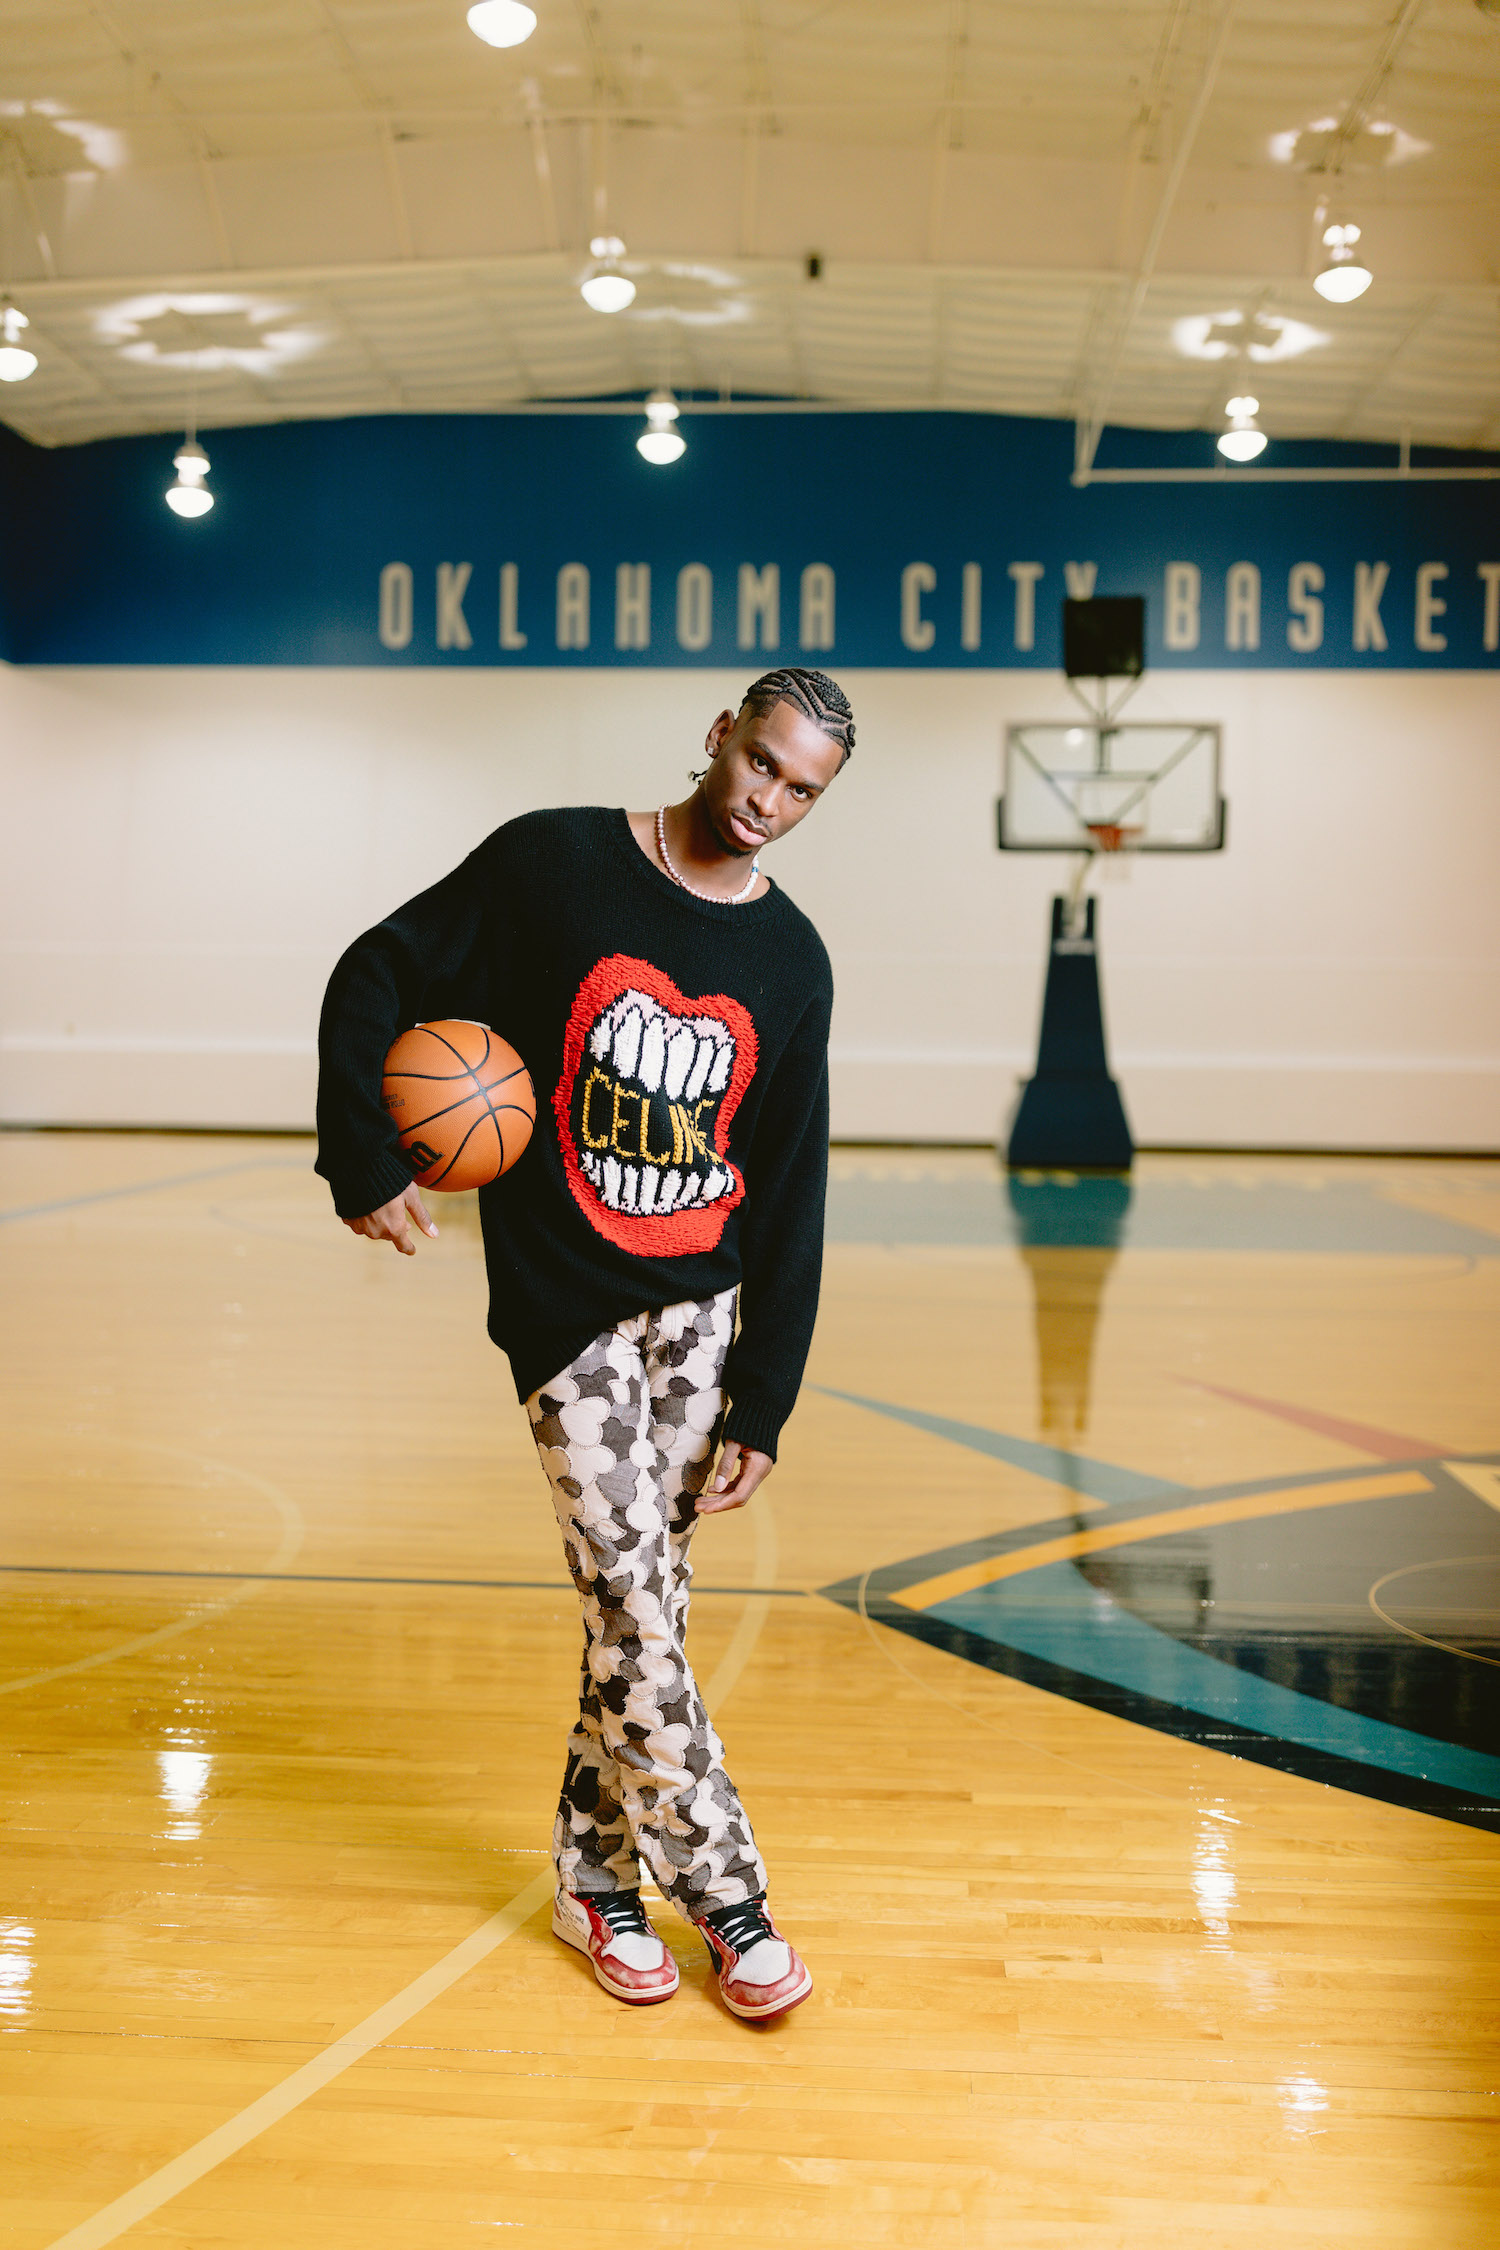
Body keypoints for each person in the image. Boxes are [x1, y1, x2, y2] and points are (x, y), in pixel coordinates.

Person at [314, 667, 852, 2024]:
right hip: (568, 1304)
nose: (770, 800)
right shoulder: (553, 860)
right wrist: (361, 1151)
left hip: (703, 1317)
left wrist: (765, 1396)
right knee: (629, 1586)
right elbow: (376, 965)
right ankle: (729, 1896)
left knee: (638, 1611)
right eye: (763, 762)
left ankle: (594, 1881)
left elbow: (789, 1186)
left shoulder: (792, 963)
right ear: (720, 731)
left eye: (801, 788)